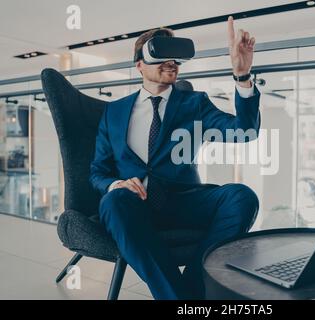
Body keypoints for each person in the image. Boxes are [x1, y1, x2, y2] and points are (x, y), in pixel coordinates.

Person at [89, 16, 260, 300]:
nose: (171, 62)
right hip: (134, 204)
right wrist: (114, 185)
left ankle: (186, 293)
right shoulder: (114, 112)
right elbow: (98, 170)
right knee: (114, 200)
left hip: (184, 200)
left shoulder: (195, 103)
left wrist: (242, 76)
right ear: (139, 65)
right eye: (160, 56)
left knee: (242, 196)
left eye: (176, 58)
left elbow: (246, 131)